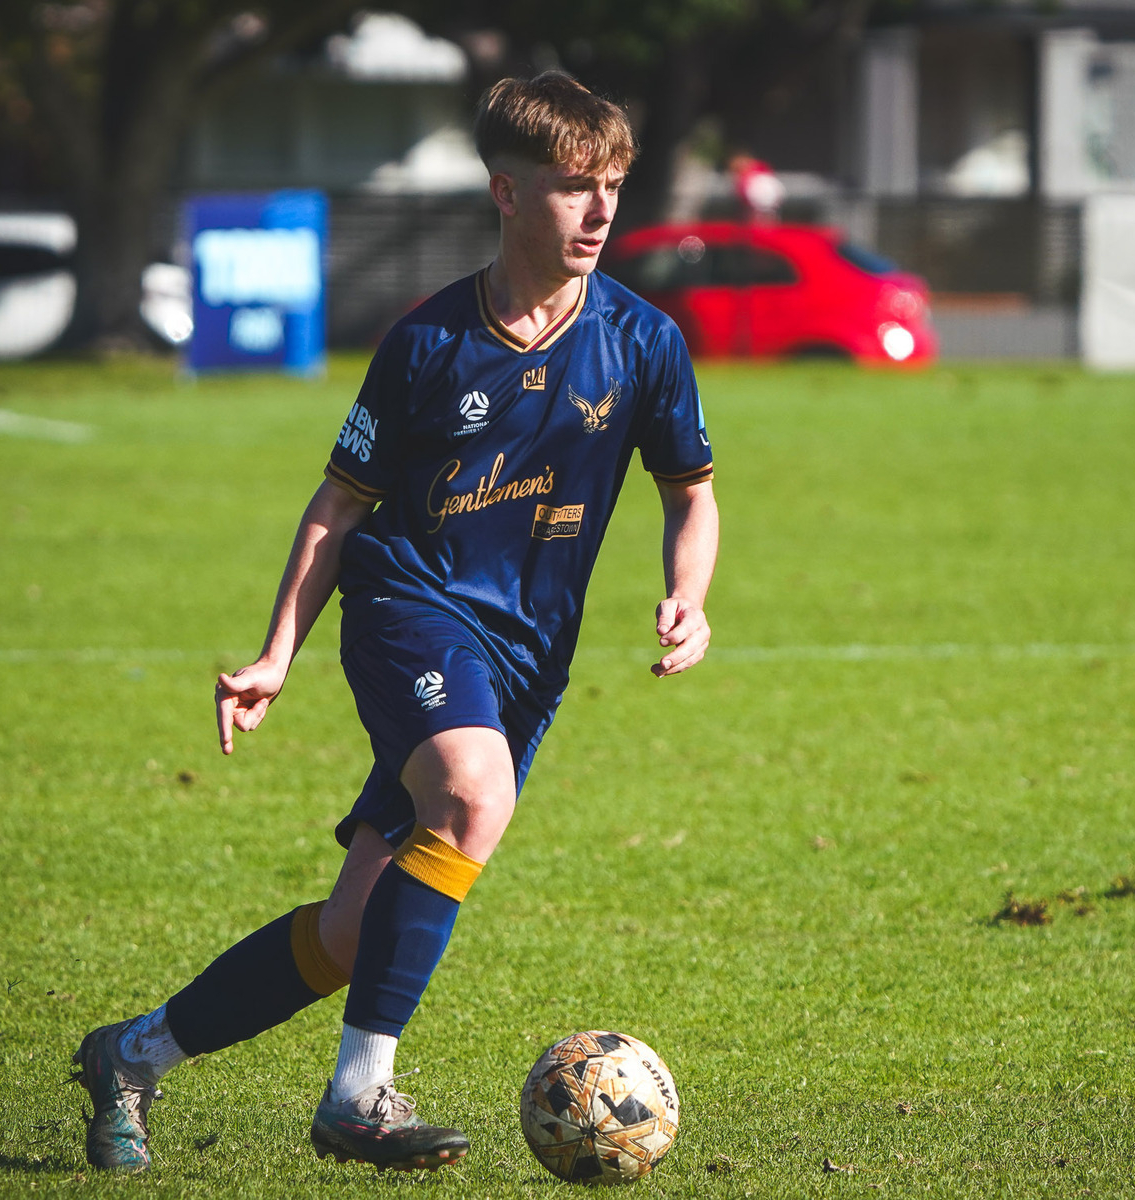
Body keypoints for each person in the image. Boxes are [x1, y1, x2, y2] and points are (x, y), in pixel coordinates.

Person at [70, 70, 719, 1175]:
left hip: (526, 663)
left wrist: (686, 593)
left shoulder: (643, 342)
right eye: (574, 188)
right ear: (506, 194)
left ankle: (134, 1054)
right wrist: (278, 651)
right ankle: (358, 1096)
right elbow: (338, 507)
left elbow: (688, 491)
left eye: (612, 184)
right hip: (406, 610)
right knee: (472, 795)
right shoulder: (426, 344)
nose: (602, 211)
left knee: (351, 932)